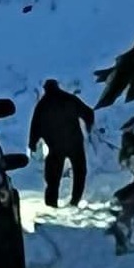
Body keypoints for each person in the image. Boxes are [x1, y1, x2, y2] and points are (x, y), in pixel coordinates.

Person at [28, 78, 94, 207]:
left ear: (46, 89)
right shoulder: (69, 99)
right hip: (74, 142)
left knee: (53, 176)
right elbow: (88, 112)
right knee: (80, 171)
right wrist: (89, 126)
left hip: (55, 146)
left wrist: (33, 142)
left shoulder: (43, 104)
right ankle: (75, 199)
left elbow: (35, 126)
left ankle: (51, 202)